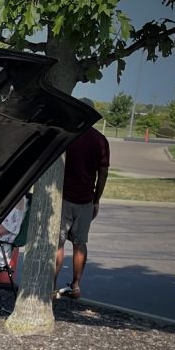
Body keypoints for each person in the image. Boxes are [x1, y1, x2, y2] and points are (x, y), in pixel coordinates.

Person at [55, 125, 110, 300]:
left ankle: (51, 285)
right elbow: (103, 172)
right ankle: (76, 286)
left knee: (58, 243)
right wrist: (96, 199)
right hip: (86, 199)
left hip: (64, 196)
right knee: (80, 244)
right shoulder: (100, 140)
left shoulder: (68, 135)